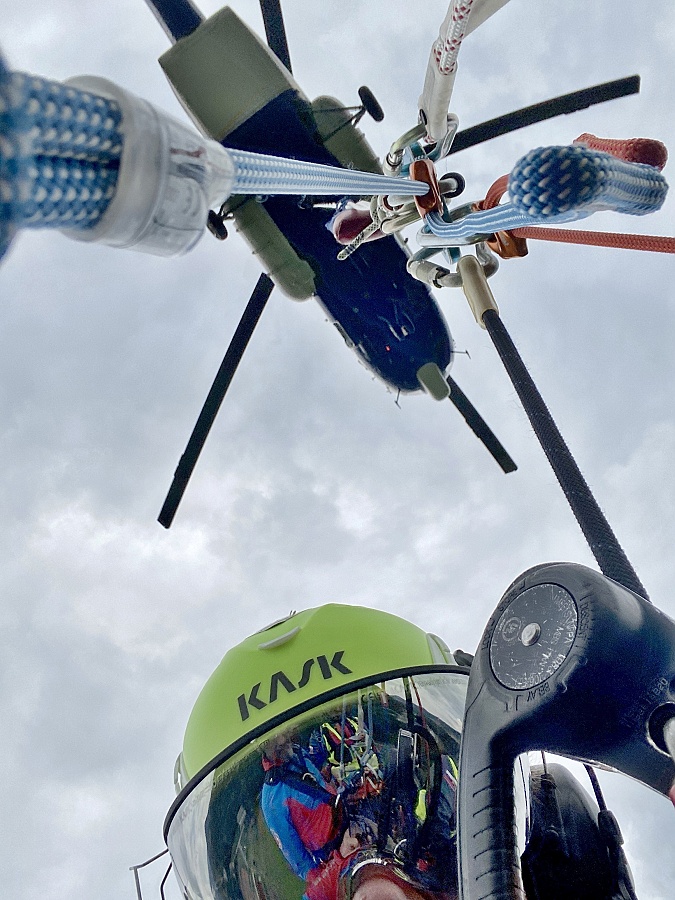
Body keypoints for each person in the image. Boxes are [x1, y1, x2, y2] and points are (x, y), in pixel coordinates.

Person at [260, 730, 362, 900]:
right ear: (263, 746)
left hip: (351, 824)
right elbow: (300, 862)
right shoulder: (273, 800)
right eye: (274, 738)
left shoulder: (297, 755)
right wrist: (331, 880)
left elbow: (321, 781)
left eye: (283, 732)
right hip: (337, 855)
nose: (283, 738)